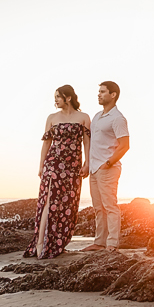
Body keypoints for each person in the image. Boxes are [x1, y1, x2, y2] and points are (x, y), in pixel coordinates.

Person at [23, 85, 91, 259]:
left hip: (73, 167)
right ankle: (40, 244)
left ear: (68, 98)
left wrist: (87, 163)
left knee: (67, 205)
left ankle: (58, 242)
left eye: (58, 97)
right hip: (53, 164)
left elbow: (86, 143)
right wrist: (41, 166)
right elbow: (46, 143)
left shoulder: (83, 118)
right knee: (47, 202)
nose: (55, 100)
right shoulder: (52, 118)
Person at [82, 81, 129, 252]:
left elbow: (125, 145)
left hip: (108, 168)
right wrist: (88, 165)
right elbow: (92, 143)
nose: (99, 94)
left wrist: (108, 163)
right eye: (99, 91)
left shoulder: (118, 118)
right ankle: (99, 242)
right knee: (98, 208)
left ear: (113, 94)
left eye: (102, 91)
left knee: (110, 206)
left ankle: (112, 243)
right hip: (94, 169)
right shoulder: (97, 116)